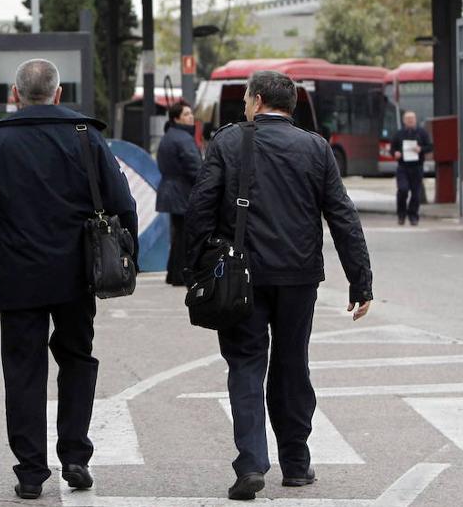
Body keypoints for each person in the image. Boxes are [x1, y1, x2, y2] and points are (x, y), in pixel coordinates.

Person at [0, 59, 137, 500]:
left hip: (17, 276)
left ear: (16, 94)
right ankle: (75, 455)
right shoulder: (86, 135)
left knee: (22, 371)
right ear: (58, 93)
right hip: (77, 273)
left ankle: (31, 472)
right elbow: (122, 202)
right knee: (77, 359)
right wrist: (129, 261)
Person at [186, 70, 373, 501]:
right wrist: (360, 281)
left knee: (246, 364)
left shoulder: (228, 142)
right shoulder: (316, 148)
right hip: (299, 277)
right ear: (289, 108)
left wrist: (195, 269)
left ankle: (251, 462)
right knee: (292, 364)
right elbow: (342, 216)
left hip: (240, 277)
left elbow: (200, 208)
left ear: (254, 102)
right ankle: (296, 463)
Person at [156, 100, 202, 285]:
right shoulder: (183, 138)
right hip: (182, 192)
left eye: (191, 113)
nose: (191, 117)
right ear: (176, 118)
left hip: (170, 190)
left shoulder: (169, 135)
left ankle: (173, 272)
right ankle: (180, 275)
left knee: (178, 234)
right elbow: (195, 168)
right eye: (186, 114)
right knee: (185, 234)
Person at [389, 110, 433, 226]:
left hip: (417, 166)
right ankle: (401, 215)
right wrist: (395, 153)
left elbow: (429, 147)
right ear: (404, 121)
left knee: (416, 193)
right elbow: (392, 149)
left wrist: (421, 149)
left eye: (412, 119)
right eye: (408, 119)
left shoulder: (422, 133)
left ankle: (413, 216)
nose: (410, 121)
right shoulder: (399, 134)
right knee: (402, 190)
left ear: (415, 120)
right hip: (403, 167)